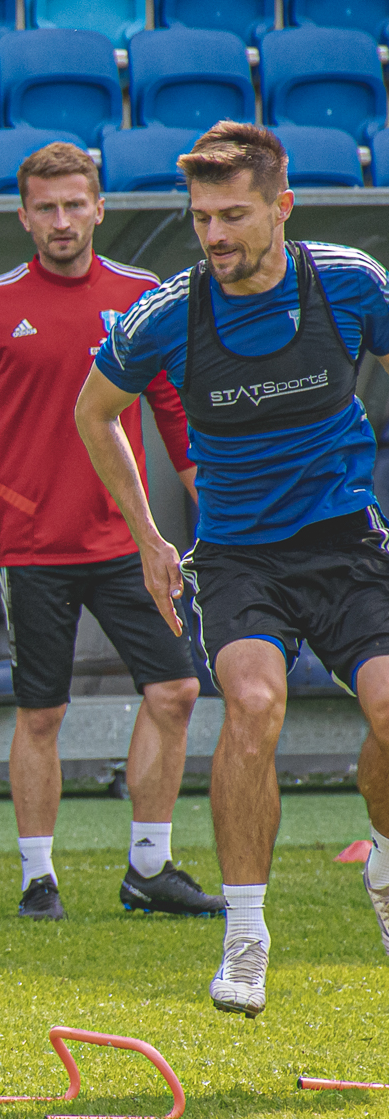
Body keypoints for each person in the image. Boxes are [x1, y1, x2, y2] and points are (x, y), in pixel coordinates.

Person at [76, 120, 389, 1018]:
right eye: (201, 217)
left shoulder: (350, 283)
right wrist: (149, 536)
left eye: (233, 216)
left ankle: (382, 860)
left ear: (282, 207)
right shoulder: (168, 314)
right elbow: (94, 412)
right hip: (240, 557)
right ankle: (245, 937)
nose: (213, 235)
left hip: (347, 545)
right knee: (253, 703)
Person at [0, 141, 220, 922]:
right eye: (47, 208)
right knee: (42, 713)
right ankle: (38, 879)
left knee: (175, 690)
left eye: (76, 204)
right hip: (33, 546)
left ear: (100, 208)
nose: (62, 220)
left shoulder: (142, 296)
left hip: (129, 543)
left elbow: (174, 411)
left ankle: (149, 868)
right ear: (24, 217)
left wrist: (214, 508)